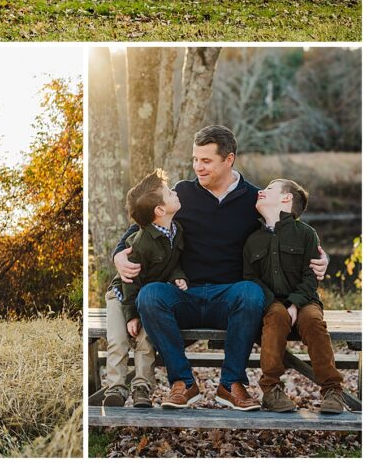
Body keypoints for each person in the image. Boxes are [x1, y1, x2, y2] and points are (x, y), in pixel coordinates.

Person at [112, 125, 329, 411]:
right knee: (150, 295)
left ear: (229, 159)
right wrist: (118, 256)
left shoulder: (253, 199)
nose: (197, 168)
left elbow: (288, 231)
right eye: (194, 159)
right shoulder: (182, 195)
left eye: (206, 161)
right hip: (185, 294)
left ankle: (231, 384)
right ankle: (183, 382)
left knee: (253, 293)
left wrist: (321, 260)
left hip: (230, 298)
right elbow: (139, 228)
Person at [244, 178, 346, 414]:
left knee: (313, 321)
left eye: (269, 189)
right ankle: (271, 389)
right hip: (272, 302)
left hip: (305, 300)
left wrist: (295, 303)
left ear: (286, 198)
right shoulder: (253, 240)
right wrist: (277, 303)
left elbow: (311, 277)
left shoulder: (306, 234)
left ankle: (332, 389)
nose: (261, 191)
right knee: (276, 317)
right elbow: (250, 278)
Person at [104, 169, 187, 409]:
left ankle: (142, 388)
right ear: (159, 210)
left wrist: (178, 277)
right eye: (170, 193)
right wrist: (132, 314)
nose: (175, 193)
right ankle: (116, 389)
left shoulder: (176, 231)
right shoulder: (140, 242)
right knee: (118, 341)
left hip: (146, 299)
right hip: (123, 296)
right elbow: (130, 280)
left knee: (146, 340)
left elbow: (172, 262)